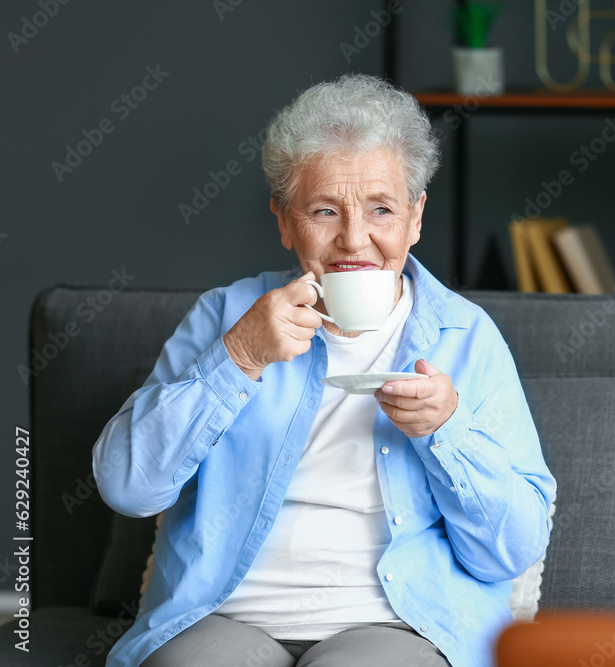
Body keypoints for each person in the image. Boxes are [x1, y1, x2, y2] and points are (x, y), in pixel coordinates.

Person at [92, 74, 556, 667]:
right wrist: (238, 359)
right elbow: (127, 489)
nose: (354, 239)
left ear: (415, 219)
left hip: (395, 626)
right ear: (285, 221)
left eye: (381, 209)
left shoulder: (468, 338)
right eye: (324, 210)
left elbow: (509, 552)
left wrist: (448, 429)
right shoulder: (227, 317)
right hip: (224, 618)